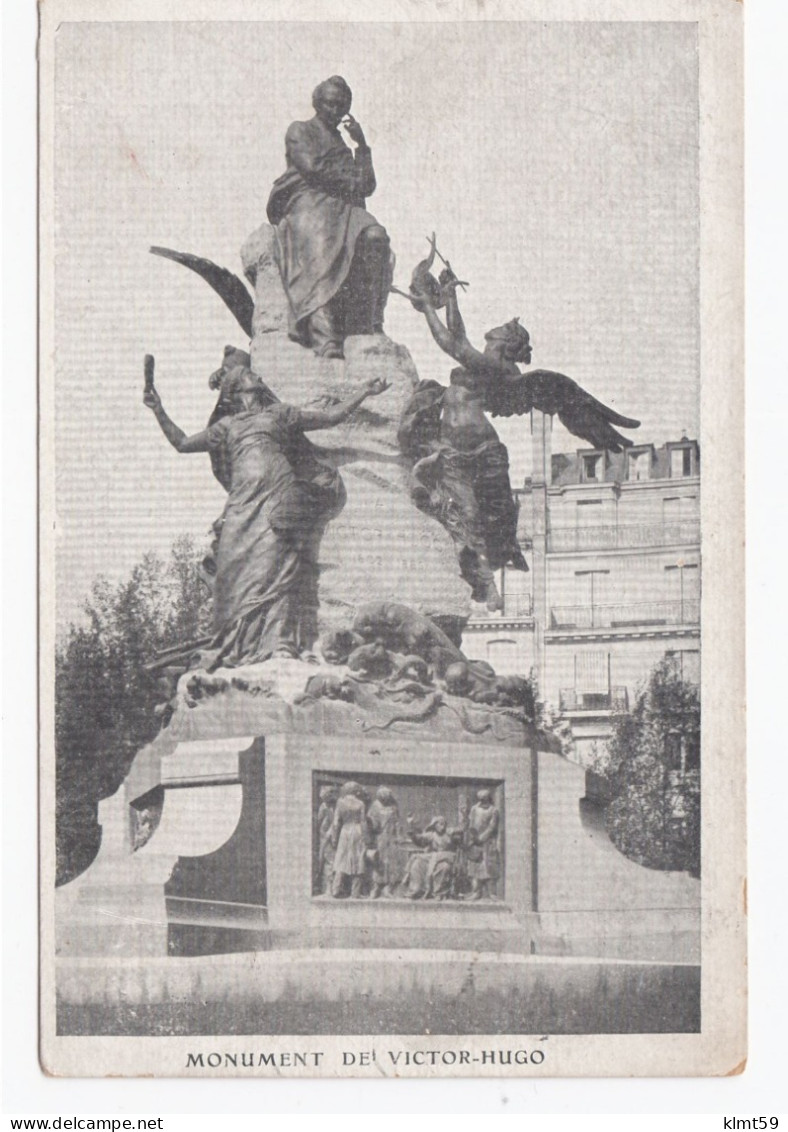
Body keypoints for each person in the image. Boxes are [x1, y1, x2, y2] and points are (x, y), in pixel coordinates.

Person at [398, 251, 639, 609]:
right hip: (454, 449)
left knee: (477, 518)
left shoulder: (500, 370)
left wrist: (430, 307)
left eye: (503, 327)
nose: (496, 326)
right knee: (464, 518)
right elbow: (459, 337)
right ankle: (482, 582)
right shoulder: (489, 364)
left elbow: (452, 343)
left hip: (480, 451)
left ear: (504, 340)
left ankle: (487, 579)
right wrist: (446, 298)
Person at [144, 363, 389, 667]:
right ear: (236, 389)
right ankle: (239, 646)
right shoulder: (227, 426)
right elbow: (182, 443)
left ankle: (280, 643)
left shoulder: (279, 415)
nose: (256, 375)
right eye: (248, 374)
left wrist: (364, 391)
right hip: (241, 505)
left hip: (276, 496)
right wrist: (158, 410)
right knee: (232, 575)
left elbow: (330, 417)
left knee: (278, 568)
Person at [267, 75, 392, 359]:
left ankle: (369, 322)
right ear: (317, 103)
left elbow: (368, 185)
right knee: (320, 247)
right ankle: (325, 336)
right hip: (308, 199)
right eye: (330, 104)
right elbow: (312, 168)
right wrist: (351, 182)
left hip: (344, 206)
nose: (336, 111)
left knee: (376, 236)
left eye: (342, 105)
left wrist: (361, 146)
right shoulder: (300, 130)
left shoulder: (346, 146)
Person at [330, 781, 370, 898]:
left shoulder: (340, 802)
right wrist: (366, 838)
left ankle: (336, 889)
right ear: (356, 790)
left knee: (341, 858)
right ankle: (355, 892)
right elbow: (363, 822)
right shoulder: (361, 803)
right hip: (357, 831)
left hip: (345, 831)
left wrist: (334, 837)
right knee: (358, 859)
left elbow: (336, 822)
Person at [366, 786, 406, 898]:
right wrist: (370, 823)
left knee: (391, 864)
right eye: (384, 797)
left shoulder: (393, 806)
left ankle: (388, 888)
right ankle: (375, 887)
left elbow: (397, 822)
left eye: (387, 797)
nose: (386, 799)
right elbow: (372, 823)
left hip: (391, 838)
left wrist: (399, 835)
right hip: (379, 838)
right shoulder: (374, 806)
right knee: (378, 862)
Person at [465, 789, 501, 900]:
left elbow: (492, 826)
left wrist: (482, 837)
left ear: (487, 798)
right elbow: (471, 824)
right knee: (475, 868)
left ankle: (492, 893)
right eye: (479, 798)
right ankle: (476, 892)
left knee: (489, 868)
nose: (481, 800)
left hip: (488, 843)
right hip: (475, 842)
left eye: (483, 798)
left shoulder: (493, 810)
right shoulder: (474, 809)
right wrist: (473, 837)